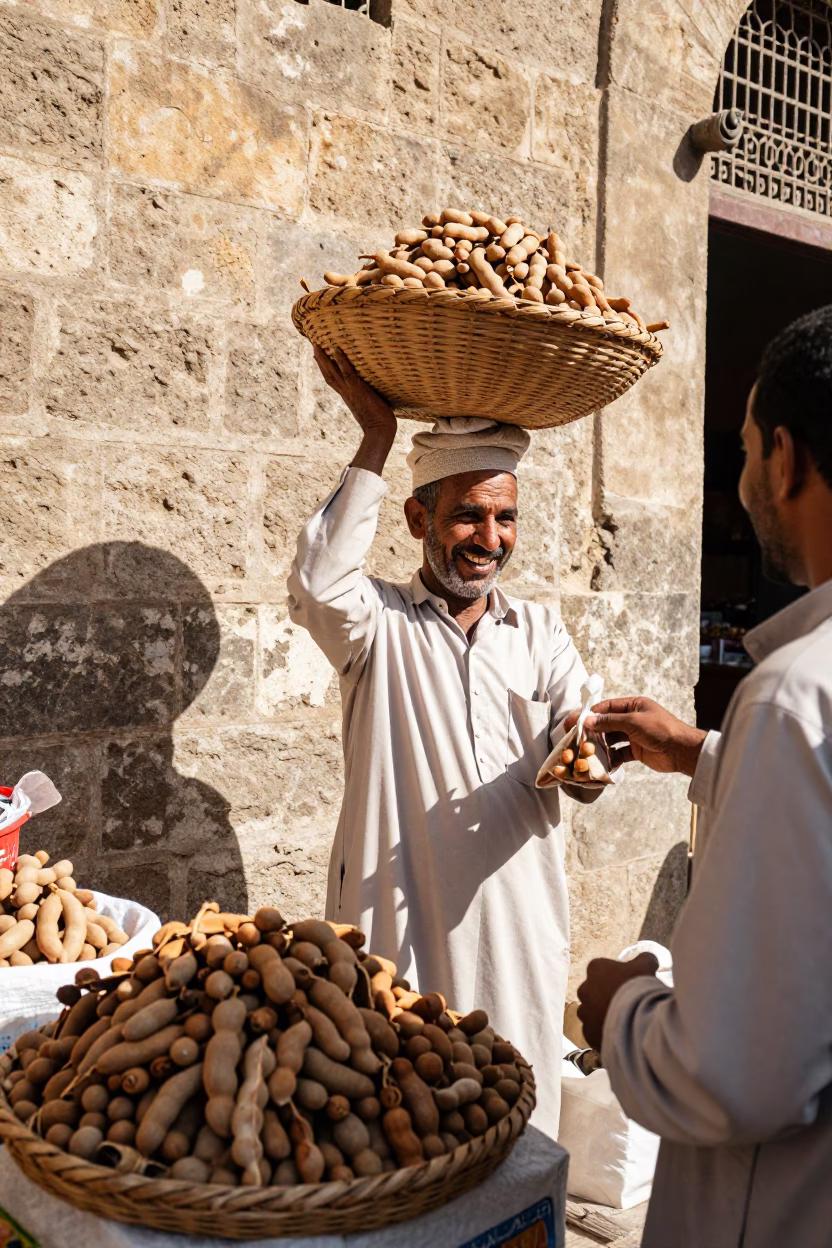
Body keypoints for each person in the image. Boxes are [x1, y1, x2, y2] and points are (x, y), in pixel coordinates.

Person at [288, 345, 608, 1137]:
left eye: (505, 518)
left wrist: (595, 763)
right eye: (468, 514)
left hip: (517, 928)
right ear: (418, 518)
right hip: (399, 928)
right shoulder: (377, 625)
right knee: (404, 1127)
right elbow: (318, 583)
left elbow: (583, 741)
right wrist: (375, 435)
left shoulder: (538, 630)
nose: (488, 538)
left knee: (518, 1129)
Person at [576, 305, 832, 1248]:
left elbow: (734, 1078)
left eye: (744, 453)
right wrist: (701, 754)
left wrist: (621, 1013)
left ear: (786, 456)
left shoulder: (794, 696)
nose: (741, 482)